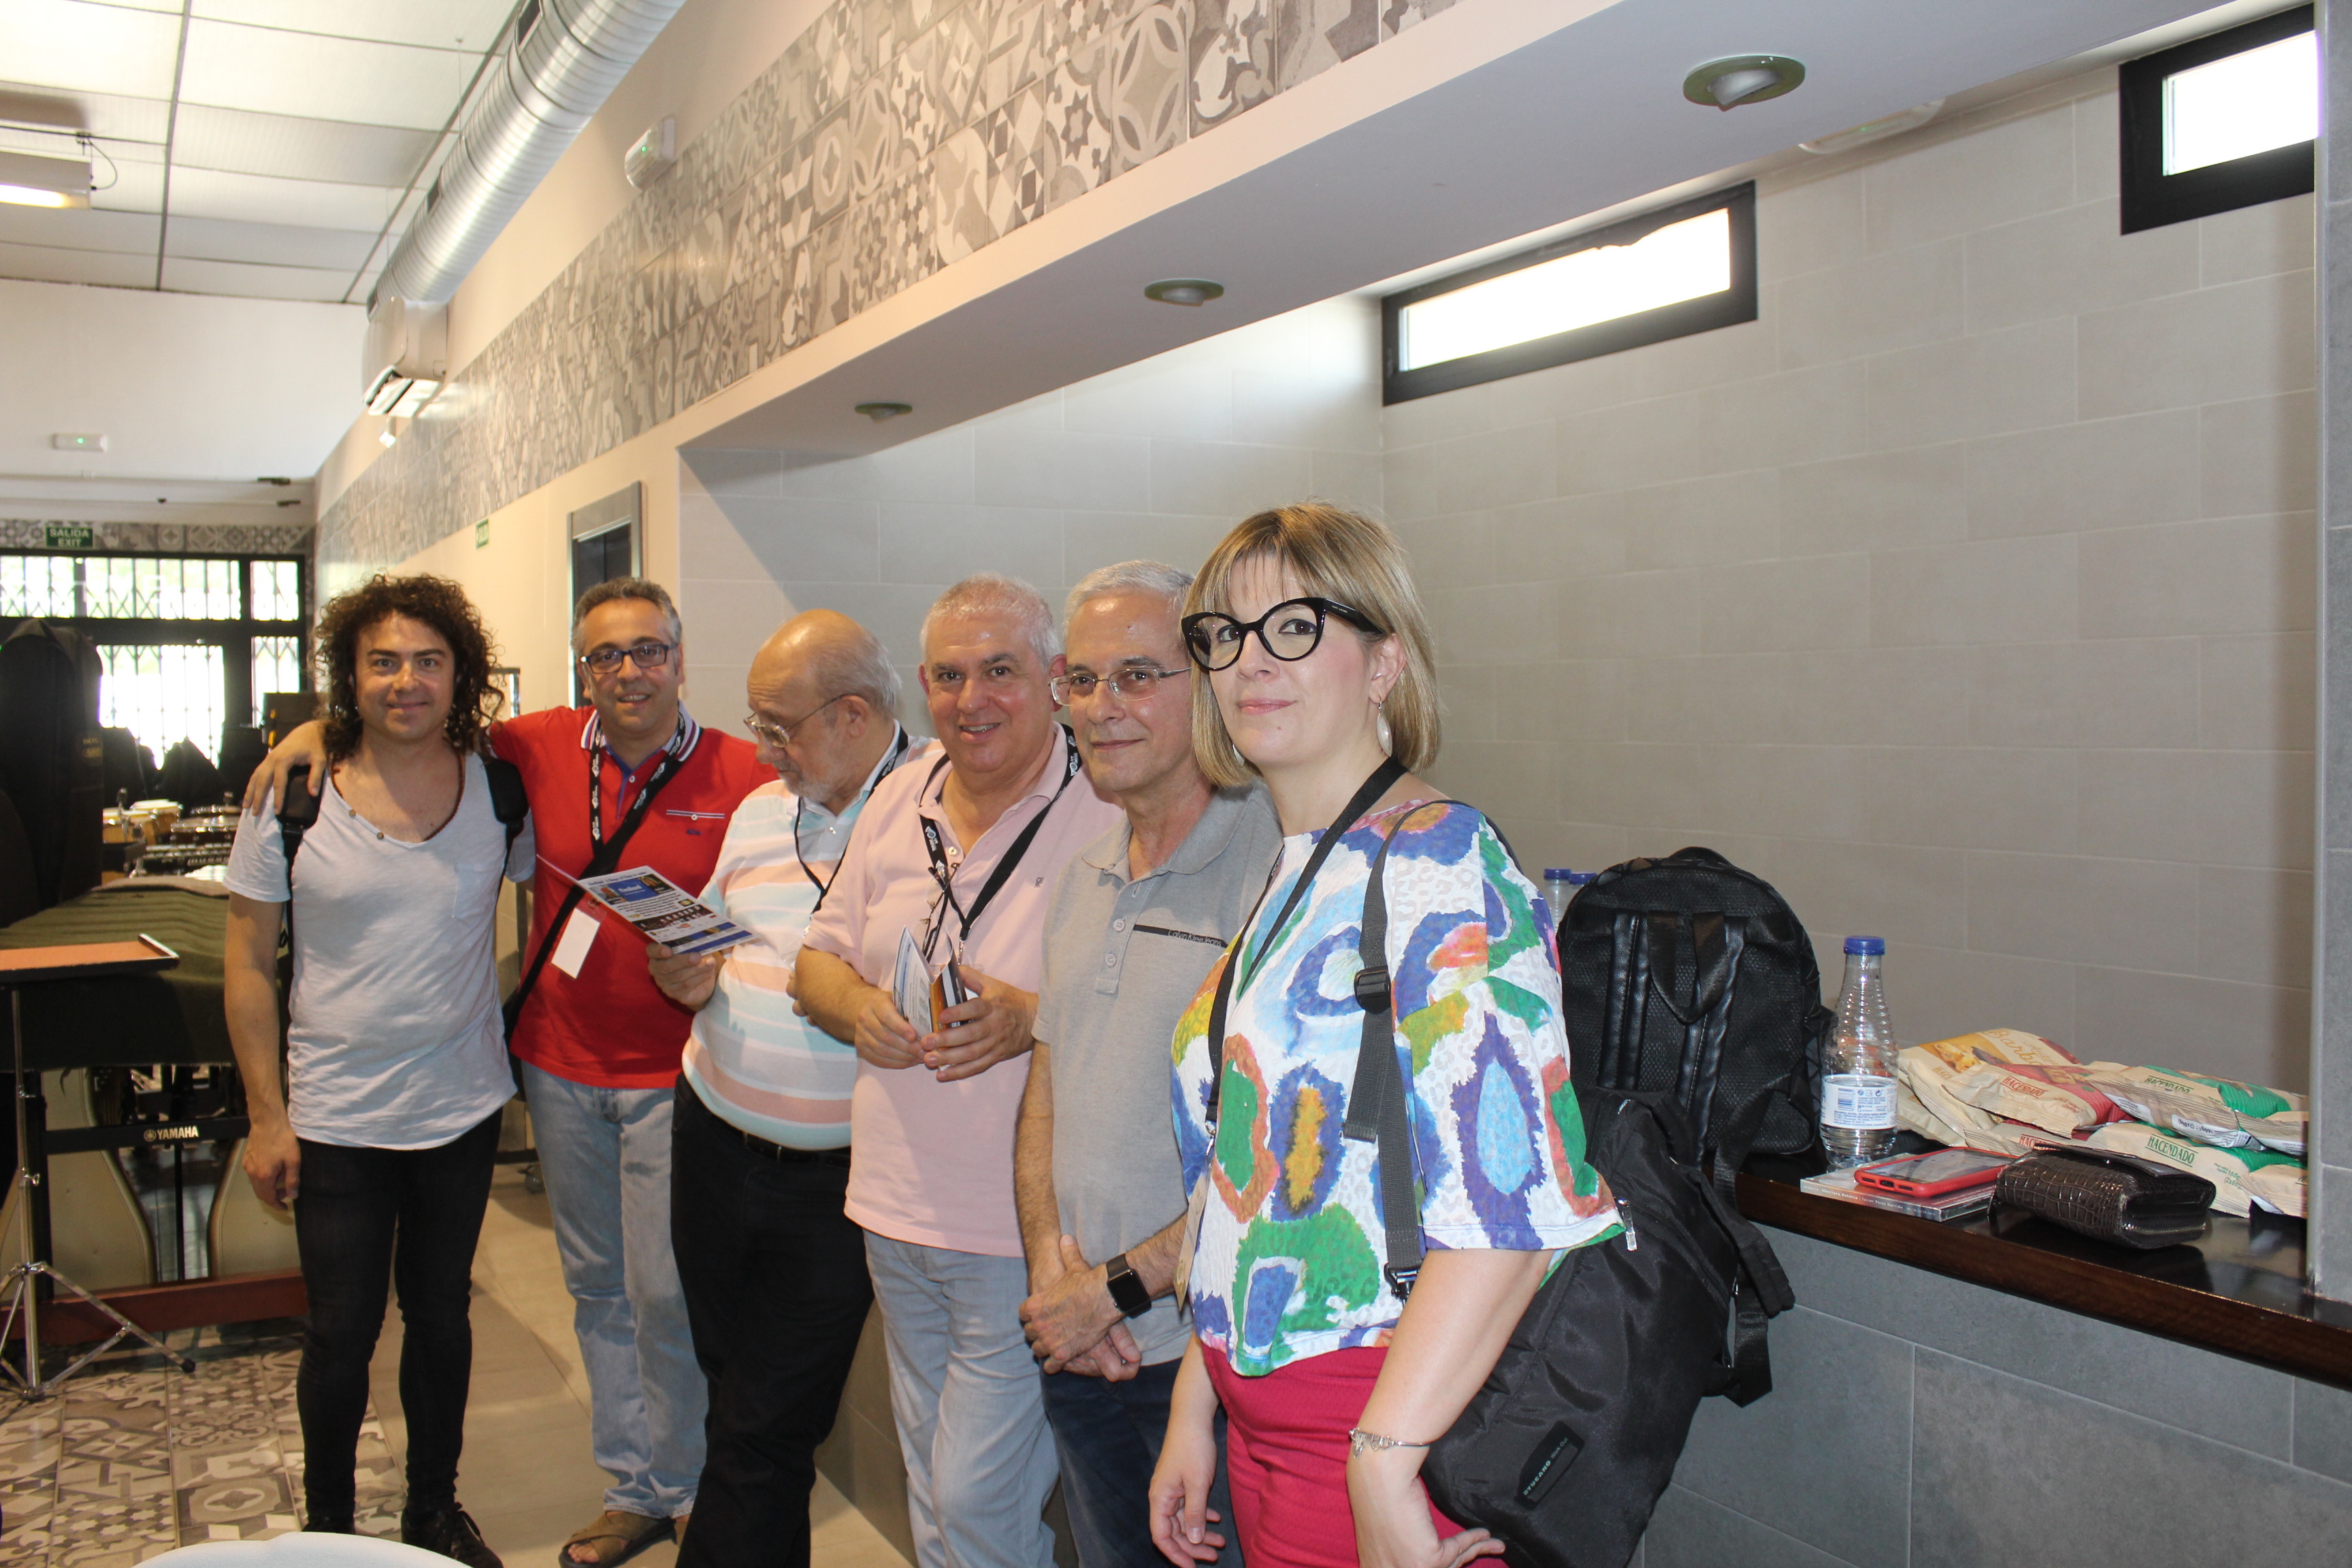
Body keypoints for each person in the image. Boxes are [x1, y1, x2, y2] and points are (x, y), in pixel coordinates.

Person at [248, 577, 768, 1567]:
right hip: (557, 1068)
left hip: (677, 1073)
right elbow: (404, 717)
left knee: (666, 1293)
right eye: (605, 654)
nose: (628, 671)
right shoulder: (531, 750)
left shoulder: (745, 771)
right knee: (597, 1288)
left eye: (648, 650)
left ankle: (690, 1484)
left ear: (680, 657)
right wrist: (311, 730)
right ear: (583, 670)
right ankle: (634, 1489)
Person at [1145, 505, 1622, 1568]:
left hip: (1381, 1416)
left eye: (1295, 627)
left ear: (1384, 663)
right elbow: (1251, 1181)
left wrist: (1383, 1462)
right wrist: (1197, 1403)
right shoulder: (1305, 866)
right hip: (1268, 1417)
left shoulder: (1440, 864)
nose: (1250, 662)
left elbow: (1515, 1202)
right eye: (1223, 634)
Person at [797, 573, 1123, 1568]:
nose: (971, 699)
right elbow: (816, 965)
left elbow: (1164, 1006)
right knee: (934, 1490)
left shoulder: (1109, 802)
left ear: (1055, 679)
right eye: (948, 676)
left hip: (1020, 1227)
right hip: (894, 1206)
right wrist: (861, 1010)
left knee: (978, 1502)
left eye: (1000, 672)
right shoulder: (902, 791)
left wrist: (1028, 1017)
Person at [223, 574, 533, 1566]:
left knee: (441, 1316)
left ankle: (432, 1510)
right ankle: (328, 1530)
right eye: (384, 662)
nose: (407, 681)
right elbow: (246, 962)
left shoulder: (499, 791)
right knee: (341, 1330)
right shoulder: (292, 796)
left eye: (429, 661)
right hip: (335, 1114)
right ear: (349, 677)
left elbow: (549, 901)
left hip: (460, 1107)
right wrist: (266, 1116)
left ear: (460, 675)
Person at [645, 610, 932, 1568]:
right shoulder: (764, 809)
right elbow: (720, 945)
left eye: (779, 727)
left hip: (837, 1182)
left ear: (853, 714)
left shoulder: (939, 812)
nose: (764, 750)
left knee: (766, 1422)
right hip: (714, 1140)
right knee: (734, 1394)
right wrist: (685, 973)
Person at [1015, 562, 1279, 1568]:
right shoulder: (1083, 877)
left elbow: (1276, 1151)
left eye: (1135, 676)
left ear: (1209, 681)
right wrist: (1054, 1276)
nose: (1099, 707)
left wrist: (1116, 1292)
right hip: (1079, 1345)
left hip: (1209, 1369)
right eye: (1080, 681)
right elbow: (1048, 1088)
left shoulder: (1274, 869)